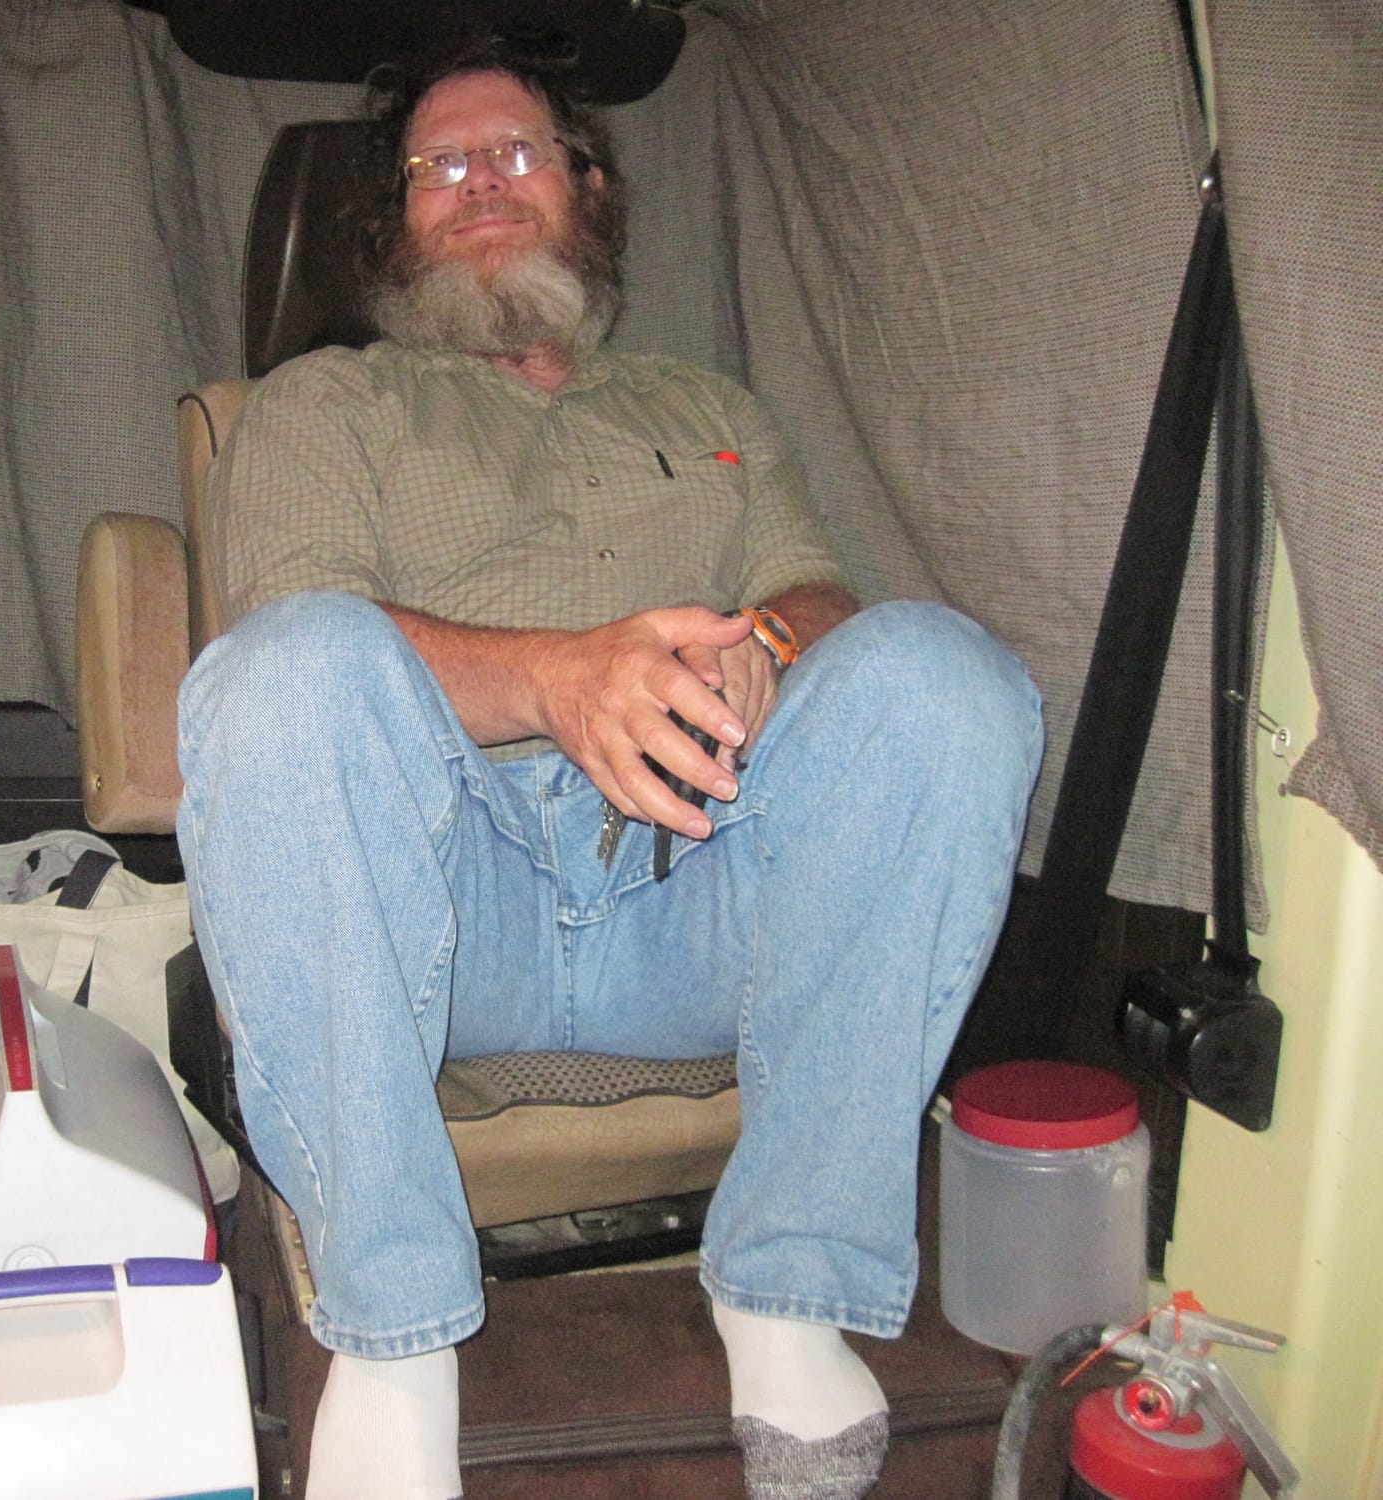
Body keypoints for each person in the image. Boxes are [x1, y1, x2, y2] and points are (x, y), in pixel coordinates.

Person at [175, 36, 1043, 1500]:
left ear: (588, 188)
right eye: (439, 166)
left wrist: (771, 640)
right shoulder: (323, 405)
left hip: (699, 875)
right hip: (442, 910)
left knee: (943, 673)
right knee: (282, 666)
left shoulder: (713, 413)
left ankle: (786, 1286)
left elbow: (817, 592)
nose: (479, 182)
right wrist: (557, 678)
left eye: (515, 151)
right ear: (395, 222)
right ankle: (390, 1336)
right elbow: (295, 644)